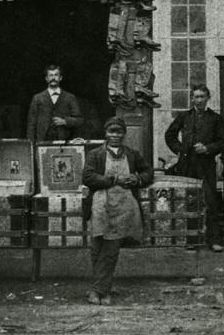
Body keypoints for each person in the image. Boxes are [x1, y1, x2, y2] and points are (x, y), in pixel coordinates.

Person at [82, 116, 153, 305]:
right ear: (105, 133)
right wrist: (111, 180)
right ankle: (100, 290)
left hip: (123, 206)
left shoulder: (132, 154)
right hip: (100, 204)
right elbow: (87, 177)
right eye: (111, 131)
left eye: (119, 132)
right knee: (97, 248)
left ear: (124, 134)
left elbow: (148, 172)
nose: (115, 135)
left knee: (111, 248)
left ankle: (99, 291)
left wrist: (137, 179)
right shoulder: (95, 154)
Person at [163, 83, 224, 252]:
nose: (198, 100)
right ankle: (191, 239)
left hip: (206, 165)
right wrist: (180, 150)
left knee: (210, 201)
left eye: (202, 97)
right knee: (189, 201)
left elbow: (222, 142)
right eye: (196, 97)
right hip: (187, 165)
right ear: (192, 98)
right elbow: (170, 135)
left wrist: (207, 148)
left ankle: (213, 240)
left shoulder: (215, 118)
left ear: (208, 98)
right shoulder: (184, 116)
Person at [26, 65, 83, 142]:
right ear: (46, 78)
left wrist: (66, 121)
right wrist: (31, 145)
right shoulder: (37, 98)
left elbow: (79, 120)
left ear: (60, 78)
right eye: (51, 75)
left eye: (56, 75)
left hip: (64, 143)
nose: (53, 78)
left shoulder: (70, 97)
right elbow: (31, 124)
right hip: (42, 142)